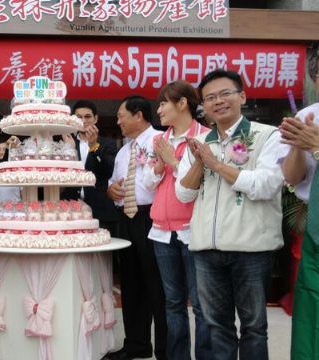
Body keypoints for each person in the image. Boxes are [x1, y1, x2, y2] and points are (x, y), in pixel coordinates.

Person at [176, 69, 285, 359]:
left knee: (253, 327)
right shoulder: (199, 143)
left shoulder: (267, 135)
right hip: (206, 251)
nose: (218, 101)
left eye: (225, 93)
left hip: (251, 249)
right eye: (210, 97)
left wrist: (217, 164)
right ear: (204, 106)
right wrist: (201, 162)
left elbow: (266, 185)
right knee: (216, 327)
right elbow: (183, 193)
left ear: (242, 96)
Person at [142, 81, 211, 360]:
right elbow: (147, 184)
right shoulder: (158, 140)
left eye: (163, 104)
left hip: (193, 231)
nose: (158, 110)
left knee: (201, 306)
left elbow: (194, 186)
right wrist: (159, 164)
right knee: (172, 303)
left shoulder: (206, 138)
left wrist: (172, 161)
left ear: (182, 103)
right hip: (161, 232)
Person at [106, 95, 166, 360]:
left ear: (138, 115)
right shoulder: (123, 151)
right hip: (126, 219)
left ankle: (166, 349)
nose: (118, 120)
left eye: (121, 115)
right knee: (131, 284)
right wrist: (111, 190)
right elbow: (114, 182)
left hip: (152, 217)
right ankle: (137, 344)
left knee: (158, 286)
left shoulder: (160, 142)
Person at [280, 44, 319, 359]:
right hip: (315, 228)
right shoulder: (308, 115)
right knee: (310, 308)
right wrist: (297, 145)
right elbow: (292, 178)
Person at [62, 100, 118, 234]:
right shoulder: (65, 142)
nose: (83, 120)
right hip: (71, 209)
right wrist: (69, 151)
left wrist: (94, 146)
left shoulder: (107, 143)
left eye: (87, 116)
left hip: (101, 210)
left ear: (96, 118)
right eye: (78, 117)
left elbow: (109, 170)